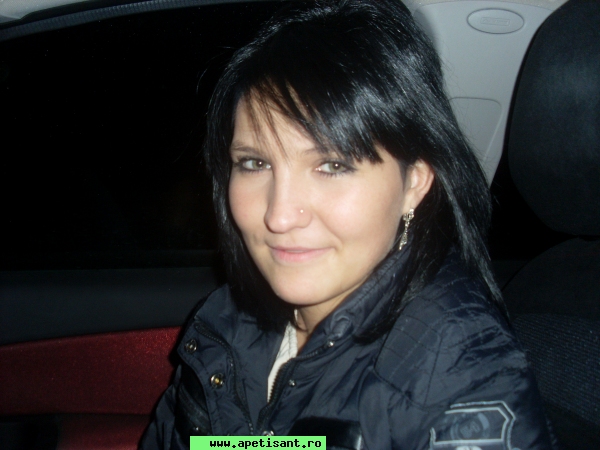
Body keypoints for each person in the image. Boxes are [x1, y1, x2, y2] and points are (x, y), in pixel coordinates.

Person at [141, 1, 556, 449]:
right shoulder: (227, 319)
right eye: (255, 163)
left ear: (414, 182)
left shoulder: (464, 384)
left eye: (333, 166)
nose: (279, 216)